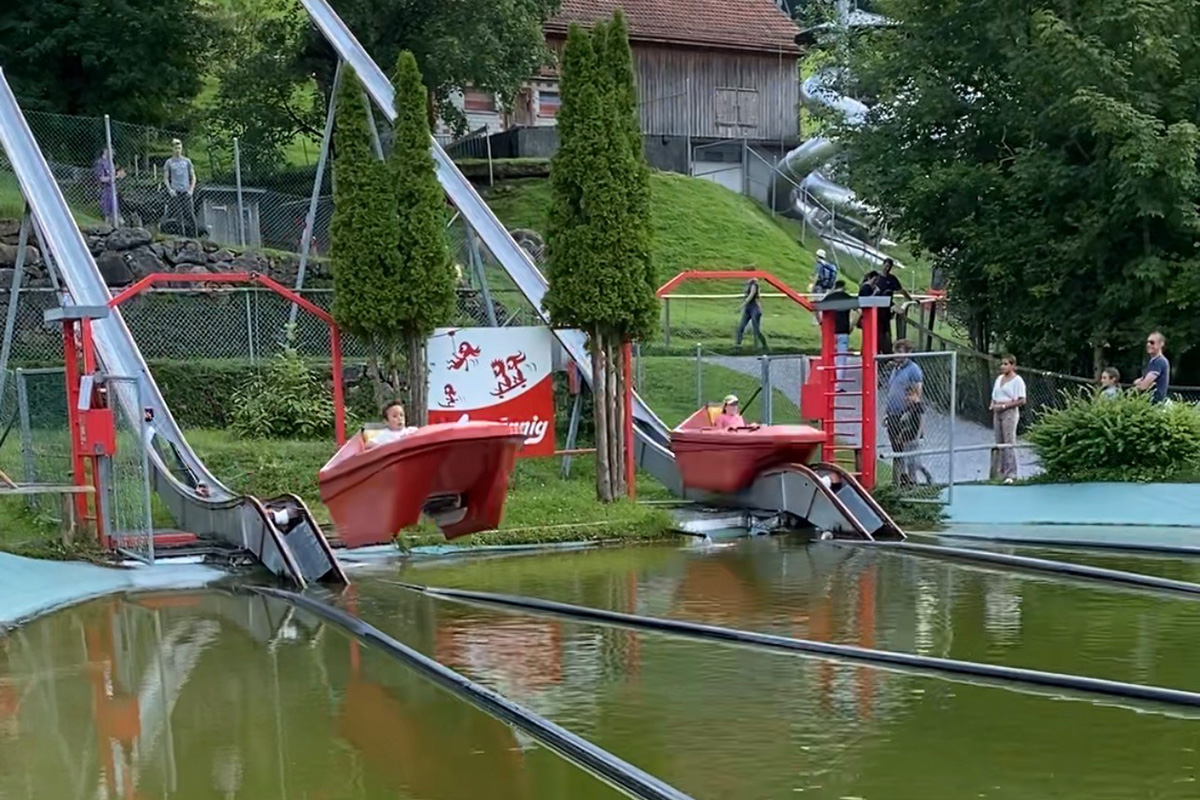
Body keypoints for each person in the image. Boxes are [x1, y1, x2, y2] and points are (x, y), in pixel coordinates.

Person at [884, 340, 923, 485]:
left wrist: (909, 412)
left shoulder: (913, 370)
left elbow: (916, 394)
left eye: (900, 352)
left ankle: (911, 481)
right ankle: (897, 481)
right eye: (895, 351)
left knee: (907, 449)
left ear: (908, 352)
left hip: (905, 415)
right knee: (896, 449)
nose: (896, 355)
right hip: (893, 414)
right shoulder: (896, 369)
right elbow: (892, 391)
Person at [989, 354, 1026, 483]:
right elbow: (995, 394)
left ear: (1012, 366)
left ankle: (1011, 473)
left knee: (1008, 441)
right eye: (1002, 364)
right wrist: (993, 404)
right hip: (997, 411)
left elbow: (1021, 400)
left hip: (1009, 411)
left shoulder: (1017, 380)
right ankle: (999, 472)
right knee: (999, 441)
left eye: (1006, 364)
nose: (1003, 366)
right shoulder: (999, 379)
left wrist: (1005, 405)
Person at [872, 258, 913, 356]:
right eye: (885, 266)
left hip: (886, 307)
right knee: (877, 330)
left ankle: (886, 351)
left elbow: (901, 290)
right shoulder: (876, 278)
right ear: (883, 265)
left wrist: (910, 299)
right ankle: (877, 349)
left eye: (889, 267)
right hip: (876, 307)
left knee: (885, 330)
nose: (887, 268)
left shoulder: (892, 279)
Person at [163, 138, 199, 237]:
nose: (178, 150)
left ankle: (194, 236)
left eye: (179, 148)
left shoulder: (187, 161)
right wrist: (170, 190)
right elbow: (165, 178)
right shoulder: (169, 162)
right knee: (179, 216)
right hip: (176, 192)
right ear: (173, 149)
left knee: (190, 214)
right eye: (176, 148)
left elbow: (193, 176)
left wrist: (191, 190)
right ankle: (182, 236)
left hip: (186, 191)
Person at [822, 279, 853, 387]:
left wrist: (821, 322)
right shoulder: (846, 297)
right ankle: (838, 385)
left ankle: (828, 381)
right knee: (841, 358)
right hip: (843, 331)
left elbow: (816, 308)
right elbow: (859, 311)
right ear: (843, 287)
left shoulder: (829, 297)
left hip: (830, 331)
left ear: (835, 286)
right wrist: (852, 325)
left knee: (830, 357)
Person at [1134, 331, 1170, 404]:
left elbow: (1144, 386)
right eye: (1147, 342)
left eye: (1152, 342)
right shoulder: (1153, 361)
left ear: (1161, 344)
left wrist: (1138, 384)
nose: (1148, 344)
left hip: (1156, 405)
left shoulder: (1159, 361)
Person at [93, 148, 125, 227]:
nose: (113, 154)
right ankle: (107, 222)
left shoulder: (111, 163)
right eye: (111, 151)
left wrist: (118, 175)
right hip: (105, 190)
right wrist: (115, 177)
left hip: (112, 189)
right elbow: (101, 179)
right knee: (107, 210)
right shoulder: (100, 163)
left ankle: (117, 221)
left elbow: (113, 176)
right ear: (105, 151)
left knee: (116, 209)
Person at [735, 278, 768, 352]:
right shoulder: (748, 284)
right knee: (740, 327)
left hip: (754, 309)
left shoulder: (754, 285)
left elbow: (751, 296)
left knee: (756, 330)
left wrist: (742, 306)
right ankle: (737, 346)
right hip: (748, 309)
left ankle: (764, 345)